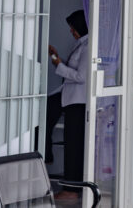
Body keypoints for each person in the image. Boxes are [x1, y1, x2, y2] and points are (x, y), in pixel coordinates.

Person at [48, 10, 88, 202]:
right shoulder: (81, 44)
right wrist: (58, 60)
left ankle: (72, 189)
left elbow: (82, 76)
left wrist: (59, 65)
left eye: (73, 28)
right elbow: (72, 70)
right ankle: (70, 186)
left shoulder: (88, 47)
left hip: (78, 101)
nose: (71, 31)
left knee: (74, 144)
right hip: (70, 98)